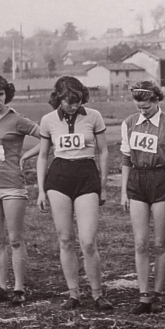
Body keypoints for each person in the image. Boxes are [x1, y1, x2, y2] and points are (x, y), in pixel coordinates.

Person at [36, 76, 113, 311]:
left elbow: (104, 152)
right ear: (58, 99)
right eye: (68, 101)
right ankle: (74, 294)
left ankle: (97, 294)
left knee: (88, 241)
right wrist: (40, 190)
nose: (73, 105)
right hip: (59, 178)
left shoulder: (94, 116)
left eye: (77, 101)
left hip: (86, 177)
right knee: (66, 240)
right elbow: (42, 156)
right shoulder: (48, 120)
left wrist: (103, 184)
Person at [0, 75, 41, 306]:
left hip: (12, 186)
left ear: (7, 95)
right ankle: (1, 287)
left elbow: (48, 136)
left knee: (15, 239)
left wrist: (27, 155)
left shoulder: (17, 120)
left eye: (1, 94)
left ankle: (19, 289)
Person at [120, 81, 165, 315]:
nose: (143, 111)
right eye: (139, 108)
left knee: (159, 243)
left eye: (146, 107)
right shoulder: (129, 123)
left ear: (156, 101)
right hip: (137, 180)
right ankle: (144, 294)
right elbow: (126, 158)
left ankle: (158, 292)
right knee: (140, 242)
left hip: (160, 180)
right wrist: (124, 191)